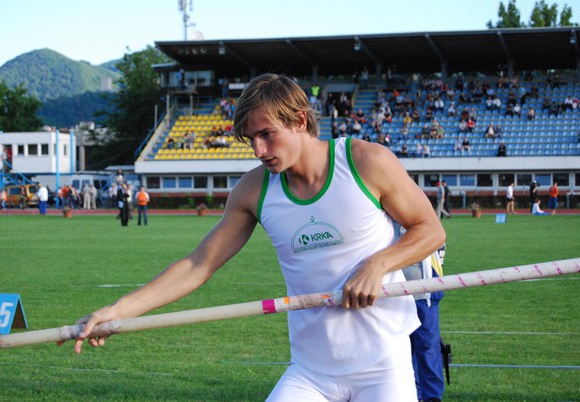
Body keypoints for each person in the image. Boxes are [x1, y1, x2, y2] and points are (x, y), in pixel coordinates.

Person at [65, 73, 445, 401]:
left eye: (267, 134)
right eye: (251, 139)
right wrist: (117, 311)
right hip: (311, 369)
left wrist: (378, 264)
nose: (259, 150)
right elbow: (199, 264)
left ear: (299, 120)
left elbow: (429, 229)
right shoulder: (254, 191)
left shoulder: (366, 161)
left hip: (383, 362)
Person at [397, 223, 446, 402]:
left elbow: (439, 248)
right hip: (394, 296)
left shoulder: (425, 220)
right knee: (399, 349)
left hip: (424, 293)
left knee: (427, 347)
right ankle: (410, 394)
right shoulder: (384, 218)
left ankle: (431, 397)